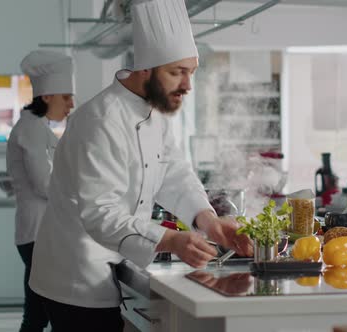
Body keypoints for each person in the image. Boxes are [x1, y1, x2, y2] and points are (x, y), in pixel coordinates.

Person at [28, 1, 252, 331]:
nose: (188, 85)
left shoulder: (154, 112)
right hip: (75, 271)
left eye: (191, 72)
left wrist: (208, 220)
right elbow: (101, 213)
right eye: (177, 72)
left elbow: (173, 171)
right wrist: (169, 240)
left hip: (107, 258)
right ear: (145, 70)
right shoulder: (100, 121)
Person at [7, 50, 75, 332]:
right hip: (38, 234)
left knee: (37, 315)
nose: (71, 104)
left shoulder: (37, 128)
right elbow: (44, 183)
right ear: (46, 96)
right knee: (39, 316)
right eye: (66, 97)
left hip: (39, 232)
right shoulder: (31, 129)